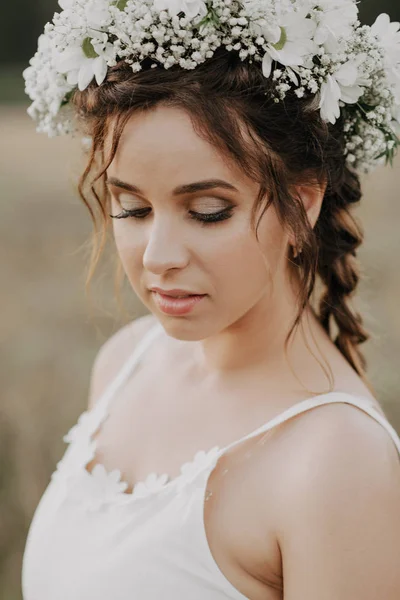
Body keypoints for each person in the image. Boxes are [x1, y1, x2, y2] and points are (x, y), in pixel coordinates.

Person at [21, 1, 400, 599]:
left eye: (207, 212)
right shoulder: (126, 362)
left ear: (302, 200)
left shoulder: (337, 463)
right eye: (133, 208)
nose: (157, 256)